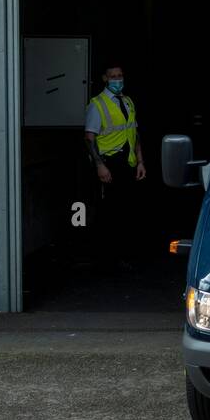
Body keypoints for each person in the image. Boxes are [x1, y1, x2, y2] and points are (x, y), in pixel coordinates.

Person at [84, 64, 145, 268]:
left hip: (126, 163)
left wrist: (140, 161)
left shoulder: (127, 101)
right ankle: (105, 259)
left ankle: (121, 256)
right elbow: (89, 138)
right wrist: (100, 166)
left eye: (120, 75)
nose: (117, 79)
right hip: (109, 163)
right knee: (109, 213)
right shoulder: (97, 104)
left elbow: (134, 133)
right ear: (105, 79)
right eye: (113, 76)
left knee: (125, 211)